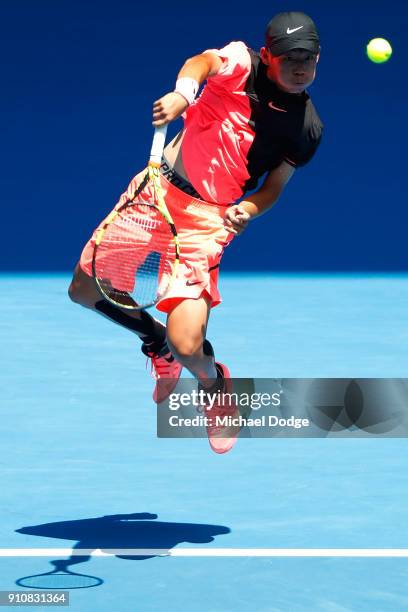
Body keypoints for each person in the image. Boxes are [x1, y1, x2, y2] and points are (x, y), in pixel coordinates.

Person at [68, 11, 323, 455]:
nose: (300, 66)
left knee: (188, 344)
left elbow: (275, 187)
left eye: (309, 58)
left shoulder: (306, 129)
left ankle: (216, 386)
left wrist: (249, 208)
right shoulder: (242, 64)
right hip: (156, 193)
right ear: (268, 55)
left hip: (208, 223)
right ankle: (154, 342)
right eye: (289, 58)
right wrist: (185, 96)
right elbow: (199, 63)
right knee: (85, 290)